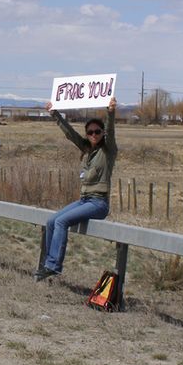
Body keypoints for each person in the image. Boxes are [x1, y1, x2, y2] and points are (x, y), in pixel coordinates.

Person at [34, 97, 118, 281]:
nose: (94, 135)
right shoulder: (88, 150)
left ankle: (53, 266)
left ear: (102, 133)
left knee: (61, 222)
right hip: (84, 200)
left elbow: (111, 132)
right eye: (90, 132)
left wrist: (110, 112)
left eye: (97, 132)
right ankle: (48, 262)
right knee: (51, 221)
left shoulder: (108, 151)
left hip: (98, 203)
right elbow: (70, 133)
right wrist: (54, 113)